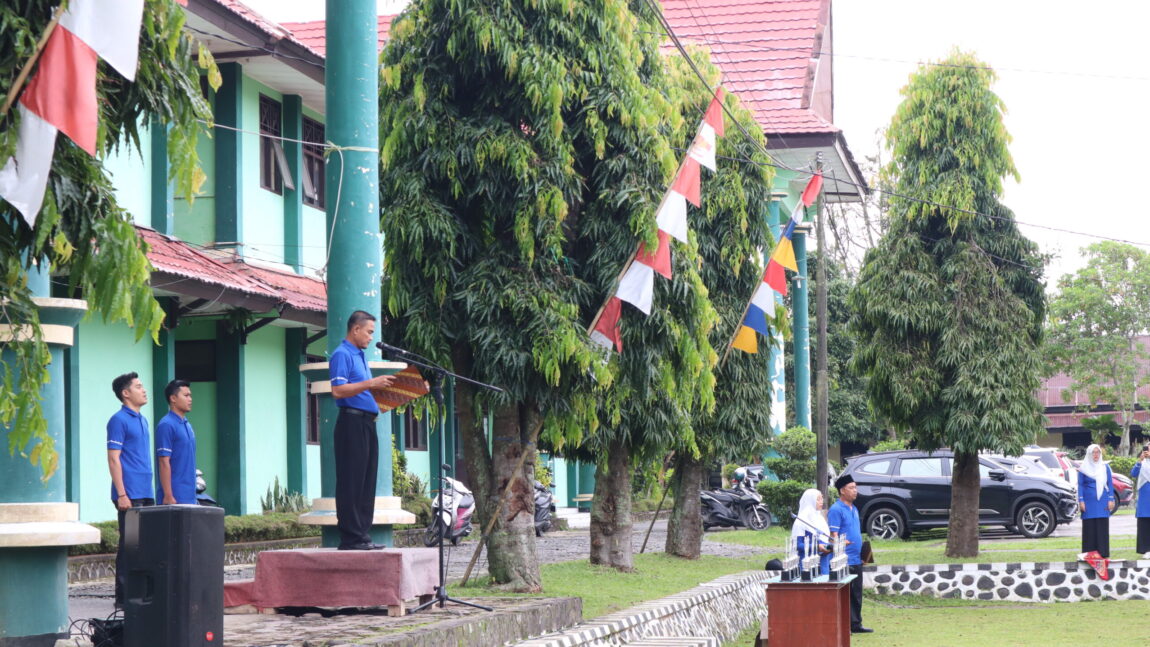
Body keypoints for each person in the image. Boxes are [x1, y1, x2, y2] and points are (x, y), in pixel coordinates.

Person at [329, 310, 396, 550]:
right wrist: (371, 383)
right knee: (351, 480)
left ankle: (362, 535)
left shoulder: (360, 356)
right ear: (355, 329)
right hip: (351, 424)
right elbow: (338, 390)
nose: (370, 337)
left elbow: (363, 391)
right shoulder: (342, 354)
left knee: (367, 480)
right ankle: (350, 537)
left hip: (367, 423)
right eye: (368, 332)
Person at [106, 371, 154, 608]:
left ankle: (142, 593)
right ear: (126, 393)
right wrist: (122, 494)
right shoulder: (118, 420)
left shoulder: (142, 419)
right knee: (130, 545)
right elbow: (114, 459)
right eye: (138, 386)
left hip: (146, 492)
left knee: (146, 545)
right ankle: (123, 599)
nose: (143, 390)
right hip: (130, 494)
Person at [828, 473, 871, 634]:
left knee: (856, 594)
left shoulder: (854, 508)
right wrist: (839, 544)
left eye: (855, 487)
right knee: (845, 594)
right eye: (851, 488)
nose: (855, 491)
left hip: (856, 558)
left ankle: (856, 624)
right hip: (843, 559)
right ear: (842, 491)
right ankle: (844, 625)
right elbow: (834, 535)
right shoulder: (836, 509)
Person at [155, 379, 197, 505]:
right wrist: (168, 495)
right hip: (173, 497)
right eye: (186, 395)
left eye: (190, 395)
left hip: (190, 495)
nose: (190, 399)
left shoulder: (187, 424)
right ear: (173, 398)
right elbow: (163, 461)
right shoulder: (166, 425)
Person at [1077, 443, 1116, 558]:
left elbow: (1110, 484)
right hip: (1088, 501)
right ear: (1089, 454)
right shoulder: (1083, 468)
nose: (1096, 455)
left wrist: (1110, 499)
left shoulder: (1105, 467)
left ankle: (1103, 552)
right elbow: (1080, 485)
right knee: (1090, 526)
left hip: (1102, 501)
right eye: (1093, 452)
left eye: (1097, 452)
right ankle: (1089, 553)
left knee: (1102, 526)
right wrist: (1081, 500)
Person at [792, 488, 831, 575]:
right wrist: (816, 547)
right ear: (810, 500)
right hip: (807, 565)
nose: (822, 502)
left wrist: (832, 546)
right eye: (818, 499)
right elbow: (798, 545)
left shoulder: (820, 518)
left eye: (822, 498)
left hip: (823, 562)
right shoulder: (801, 521)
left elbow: (824, 540)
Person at [1131, 445, 1150, 558]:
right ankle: (1146, 549)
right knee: (1144, 524)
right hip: (1144, 498)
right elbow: (1133, 473)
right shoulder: (1142, 464)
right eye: (1146, 449)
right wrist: (1140, 461)